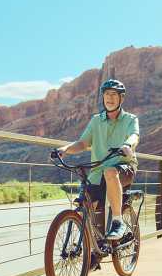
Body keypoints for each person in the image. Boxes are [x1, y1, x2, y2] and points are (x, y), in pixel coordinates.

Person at [55, 79, 139, 240]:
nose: (110, 98)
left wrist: (128, 145)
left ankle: (117, 221)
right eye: (107, 94)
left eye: (114, 94)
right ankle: (94, 250)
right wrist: (65, 149)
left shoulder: (130, 119)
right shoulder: (96, 120)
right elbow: (82, 143)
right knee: (89, 206)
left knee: (110, 171)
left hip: (124, 166)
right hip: (98, 171)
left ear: (121, 98)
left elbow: (134, 136)